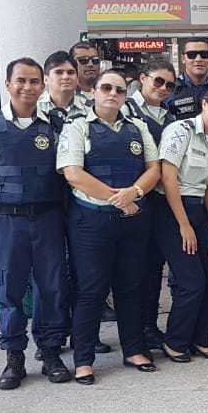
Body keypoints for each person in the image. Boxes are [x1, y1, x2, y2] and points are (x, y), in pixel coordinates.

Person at [0, 58, 73, 389]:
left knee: (52, 287)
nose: (27, 87)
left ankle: (51, 352)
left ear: (42, 86)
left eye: (34, 81)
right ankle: (14, 357)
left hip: (48, 219)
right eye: (20, 81)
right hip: (7, 221)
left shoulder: (56, 125)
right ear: (8, 85)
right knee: (8, 290)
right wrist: (2, 201)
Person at [57, 70, 161, 384]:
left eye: (118, 89)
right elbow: (73, 173)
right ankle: (84, 359)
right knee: (91, 290)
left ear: (125, 96)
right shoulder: (76, 127)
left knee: (130, 287)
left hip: (132, 221)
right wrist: (120, 199)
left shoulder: (138, 127)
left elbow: (154, 168)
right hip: (91, 222)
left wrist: (135, 193)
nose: (112, 93)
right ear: (93, 92)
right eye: (106, 87)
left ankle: (133, 349)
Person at [156, 85, 208, 361]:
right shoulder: (181, 130)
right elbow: (168, 179)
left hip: (200, 211)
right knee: (192, 283)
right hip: (171, 211)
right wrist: (184, 224)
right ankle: (176, 342)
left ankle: (200, 339)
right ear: (204, 104)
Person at [124, 57, 175, 351]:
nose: (164, 88)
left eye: (169, 84)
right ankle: (131, 334)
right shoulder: (123, 109)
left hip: (159, 201)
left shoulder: (170, 117)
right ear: (143, 78)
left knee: (153, 268)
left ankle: (148, 326)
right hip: (127, 198)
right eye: (158, 81)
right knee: (129, 271)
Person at [38, 51, 88, 122]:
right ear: (46, 79)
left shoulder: (91, 109)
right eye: (58, 72)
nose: (65, 77)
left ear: (77, 79)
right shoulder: (34, 108)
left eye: (70, 72)